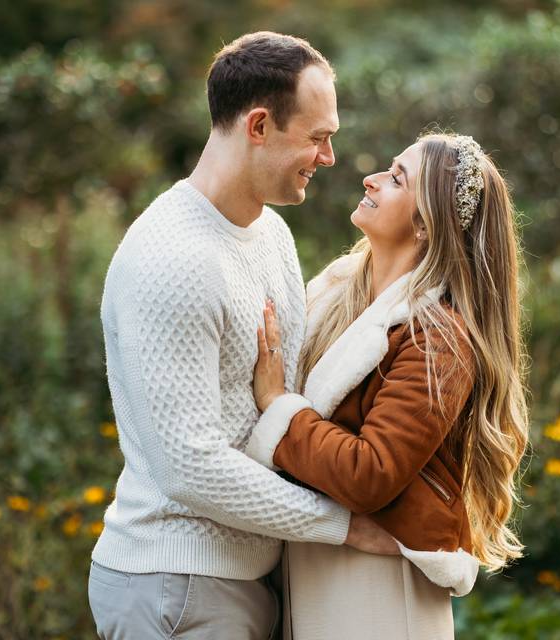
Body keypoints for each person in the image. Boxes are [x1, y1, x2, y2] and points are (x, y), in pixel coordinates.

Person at [88, 32, 396, 640]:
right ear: (258, 126)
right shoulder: (173, 258)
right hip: (175, 586)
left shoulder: (272, 235)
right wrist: (344, 525)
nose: (329, 157)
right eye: (317, 137)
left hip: (247, 581)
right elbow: (189, 467)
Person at [247, 132, 530, 639]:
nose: (371, 179)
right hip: (317, 568)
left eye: (396, 178)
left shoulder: (439, 340)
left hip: (379, 588)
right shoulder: (335, 294)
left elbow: (368, 473)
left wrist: (277, 406)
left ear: (425, 224)